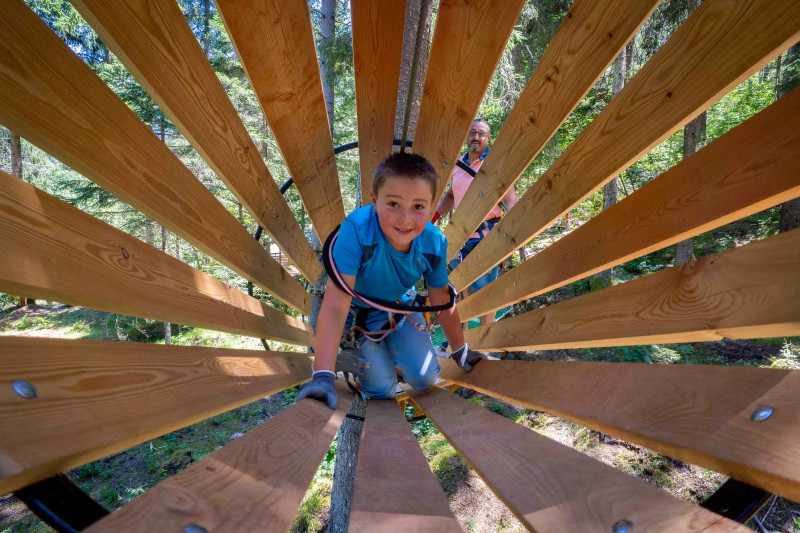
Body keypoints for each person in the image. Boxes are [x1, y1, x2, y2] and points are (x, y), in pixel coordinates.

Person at [295, 153, 484, 409]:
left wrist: (460, 350)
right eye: (393, 203)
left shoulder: (433, 242)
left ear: (432, 207)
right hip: (356, 316)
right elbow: (336, 305)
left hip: (399, 308)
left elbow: (442, 297)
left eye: (418, 207)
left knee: (425, 378)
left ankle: (389, 358)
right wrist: (323, 376)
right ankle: (361, 359)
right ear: (374, 200)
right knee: (382, 389)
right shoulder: (357, 230)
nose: (405, 219)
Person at [433, 118, 517, 294]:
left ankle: (493, 314)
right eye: (472, 133)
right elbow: (451, 195)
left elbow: (509, 200)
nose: (476, 137)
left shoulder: (495, 164)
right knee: (456, 288)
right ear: (467, 136)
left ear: (488, 137)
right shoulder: (457, 165)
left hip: (486, 237)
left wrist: (513, 232)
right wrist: (436, 215)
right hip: (459, 238)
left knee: (486, 291)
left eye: (481, 134)